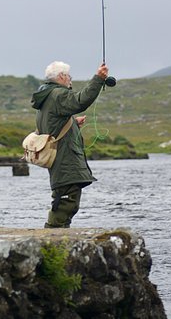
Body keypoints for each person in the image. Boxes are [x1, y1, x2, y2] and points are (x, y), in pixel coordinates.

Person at [30, 61, 109, 228]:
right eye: (69, 76)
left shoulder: (47, 95)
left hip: (59, 158)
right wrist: (98, 79)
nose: (70, 80)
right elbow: (80, 101)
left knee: (64, 199)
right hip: (64, 159)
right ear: (61, 77)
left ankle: (54, 236)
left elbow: (52, 123)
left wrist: (72, 123)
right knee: (66, 202)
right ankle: (53, 239)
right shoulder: (58, 94)